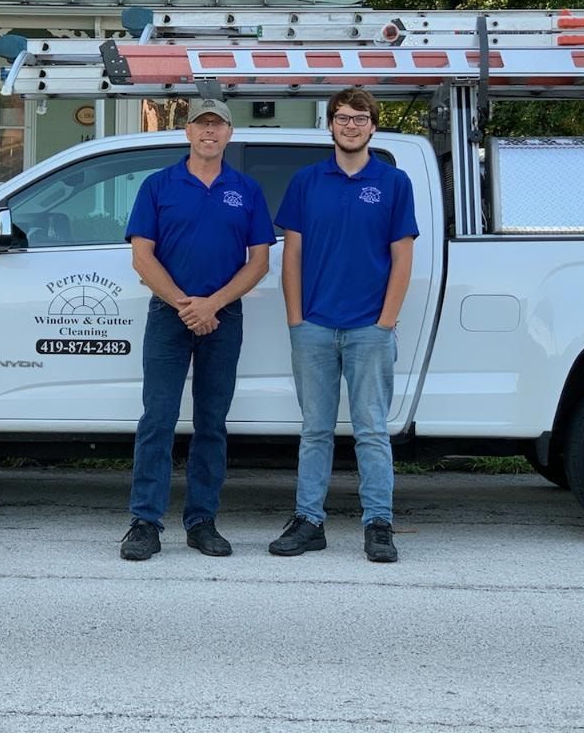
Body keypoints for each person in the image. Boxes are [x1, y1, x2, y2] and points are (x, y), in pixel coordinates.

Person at [120, 98, 275, 560]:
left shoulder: (245, 190)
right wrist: (185, 305)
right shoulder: (158, 185)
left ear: (230, 133)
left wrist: (213, 304)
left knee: (212, 423)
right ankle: (145, 522)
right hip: (169, 316)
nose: (210, 132)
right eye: (202, 124)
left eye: (219, 125)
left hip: (224, 317)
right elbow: (142, 256)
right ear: (187, 131)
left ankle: (202, 521)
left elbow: (260, 261)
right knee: (158, 420)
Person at [268, 87, 418, 563]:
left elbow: (402, 258)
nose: (350, 125)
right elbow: (291, 255)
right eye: (341, 118)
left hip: (369, 330)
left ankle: (379, 524)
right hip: (313, 326)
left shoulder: (393, 183)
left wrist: (385, 322)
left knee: (372, 430)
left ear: (373, 126)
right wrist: (296, 320)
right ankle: (309, 520)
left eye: (359, 118)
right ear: (329, 125)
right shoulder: (307, 182)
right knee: (315, 430)